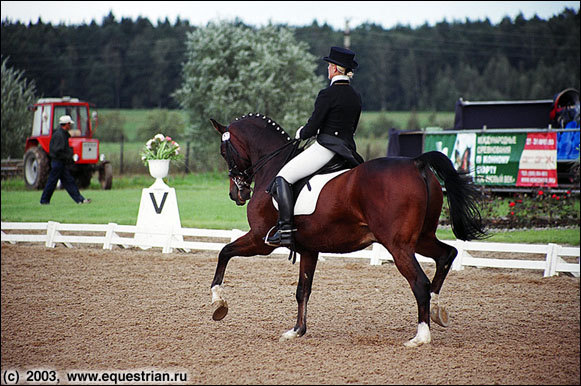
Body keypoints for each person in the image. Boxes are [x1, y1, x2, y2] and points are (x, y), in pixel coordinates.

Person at [265, 46, 364, 248]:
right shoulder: (355, 96)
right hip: (347, 151)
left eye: (329, 65)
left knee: (283, 177)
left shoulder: (327, 94)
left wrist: (301, 133)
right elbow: (351, 127)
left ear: (336, 69)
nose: (327, 69)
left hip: (326, 148)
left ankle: (284, 230)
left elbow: (313, 126)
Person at [40, 115, 91, 205]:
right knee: (52, 182)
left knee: (69, 182)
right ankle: (44, 201)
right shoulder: (59, 135)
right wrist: (68, 156)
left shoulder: (61, 134)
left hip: (61, 163)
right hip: (58, 163)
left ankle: (80, 200)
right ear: (66, 124)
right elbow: (57, 150)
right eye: (69, 124)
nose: (70, 126)